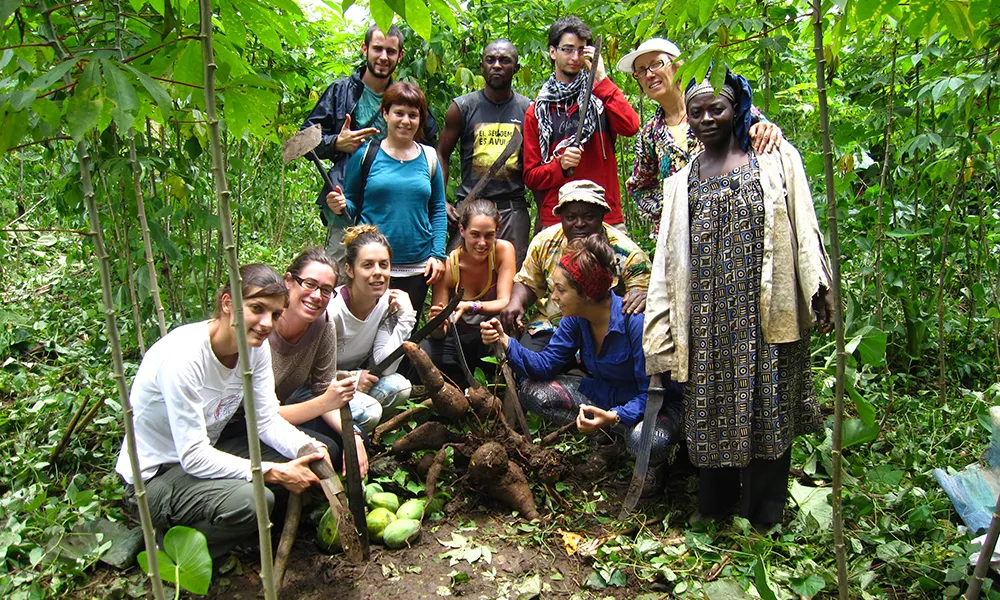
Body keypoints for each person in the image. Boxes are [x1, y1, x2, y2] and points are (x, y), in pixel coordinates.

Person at [643, 70, 834, 527]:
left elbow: (804, 223)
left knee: (768, 406)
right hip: (706, 315)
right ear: (686, 118)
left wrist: (819, 286)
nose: (707, 118)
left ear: (736, 110)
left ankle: (764, 514)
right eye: (697, 111)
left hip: (766, 308)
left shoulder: (773, 158)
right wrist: (661, 327)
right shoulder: (680, 181)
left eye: (718, 108)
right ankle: (716, 508)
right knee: (710, 406)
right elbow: (666, 261)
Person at [115, 265, 330, 557]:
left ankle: (239, 526)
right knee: (255, 501)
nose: (266, 323)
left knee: (315, 452)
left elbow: (265, 420)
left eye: (275, 314)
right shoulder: (184, 358)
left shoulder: (254, 348)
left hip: (206, 454)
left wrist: (307, 449)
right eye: (257, 308)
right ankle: (172, 547)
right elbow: (193, 456)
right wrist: (275, 473)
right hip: (156, 476)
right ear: (228, 303)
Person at [482, 235, 681, 494]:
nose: (554, 297)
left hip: (654, 405)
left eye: (561, 290)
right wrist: (506, 341)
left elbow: (652, 393)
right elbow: (544, 365)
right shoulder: (575, 318)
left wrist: (614, 416)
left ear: (586, 293)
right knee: (535, 392)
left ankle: (653, 465)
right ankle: (610, 443)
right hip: (605, 393)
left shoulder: (635, 322)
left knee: (647, 440)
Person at [615, 38, 783, 236]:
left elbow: (760, 129)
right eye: (641, 71)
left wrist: (766, 129)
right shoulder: (650, 135)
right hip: (684, 236)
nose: (649, 75)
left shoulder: (713, 103)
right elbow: (639, 188)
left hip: (738, 221)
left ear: (677, 66)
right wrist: (672, 207)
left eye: (656, 64)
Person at [302, 24, 439, 262]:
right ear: (365, 49)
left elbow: (429, 139)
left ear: (400, 56)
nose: (383, 57)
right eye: (377, 49)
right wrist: (336, 142)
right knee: (340, 276)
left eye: (391, 51)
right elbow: (304, 140)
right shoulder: (341, 91)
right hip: (346, 203)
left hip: (391, 209)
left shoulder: (403, 100)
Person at [327, 81, 447, 315]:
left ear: (420, 119)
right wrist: (340, 206)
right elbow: (352, 203)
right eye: (399, 113)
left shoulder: (430, 157)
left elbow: (438, 209)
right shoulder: (366, 155)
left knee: (404, 332)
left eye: (413, 115)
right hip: (373, 265)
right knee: (366, 330)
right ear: (385, 114)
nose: (405, 121)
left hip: (417, 265)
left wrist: (437, 255)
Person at [500, 180, 651, 352]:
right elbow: (529, 282)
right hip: (553, 324)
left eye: (589, 217)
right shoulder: (545, 242)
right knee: (529, 358)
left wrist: (641, 296)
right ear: (561, 217)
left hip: (604, 329)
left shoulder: (628, 254)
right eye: (571, 218)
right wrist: (516, 302)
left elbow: (640, 297)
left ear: (602, 215)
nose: (579, 224)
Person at [523, 16, 639, 231]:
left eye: (581, 50)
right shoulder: (538, 111)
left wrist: (602, 79)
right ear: (552, 52)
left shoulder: (601, 100)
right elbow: (531, 177)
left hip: (606, 217)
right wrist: (560, 165)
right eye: (567, 49)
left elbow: (630, 126)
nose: (574, 57)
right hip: (559, 221)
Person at [269, 247, 369, 478]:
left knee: (353, 439)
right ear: (288, 281)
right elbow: (264, 416)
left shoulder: (323, 324)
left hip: (285, 412)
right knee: (328, 450)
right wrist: (325, 402)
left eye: (325, 290)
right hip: (250, 423)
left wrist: (352, 434)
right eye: (309, 284)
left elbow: (322, 388)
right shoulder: (263, 328)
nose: (316, 296)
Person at [436, 39, 532, 268]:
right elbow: (441, 154)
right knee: (456, 274)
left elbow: (534, 164)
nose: (497, 65)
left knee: (513, 279)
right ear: (481, 66)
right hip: (470, 207)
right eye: (491, 60)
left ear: (516, 68)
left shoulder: (528, 109)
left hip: (512, 209)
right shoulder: (462, 107)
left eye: (505, 61)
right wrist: (441, 201)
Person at [327, 225, 416, 433]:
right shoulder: (333, 311)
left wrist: (406, 317)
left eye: (383, 265)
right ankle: (339, 438)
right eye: (367, 265)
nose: (378, 273)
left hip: (354, 381)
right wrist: (353, 378)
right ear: (349, 269)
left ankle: (367, 436)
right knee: (371, 411)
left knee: (399, 386)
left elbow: (385, 367)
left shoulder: (386, 302)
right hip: (321, 387)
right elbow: (311, 373)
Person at [421, 200, 516, 388]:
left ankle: (491, 382)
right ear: (462, 230)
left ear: (497, 231)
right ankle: (459, 384)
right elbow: (440, 332)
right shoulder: (449, 266)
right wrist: (438, 323)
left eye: (489, 235)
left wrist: (471, 306)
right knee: (426, 351)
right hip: (458, 341)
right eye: (475, 235)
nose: (482, 243)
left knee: (504, 334)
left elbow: (505, 301)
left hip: (489, 335)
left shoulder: (503, 251)